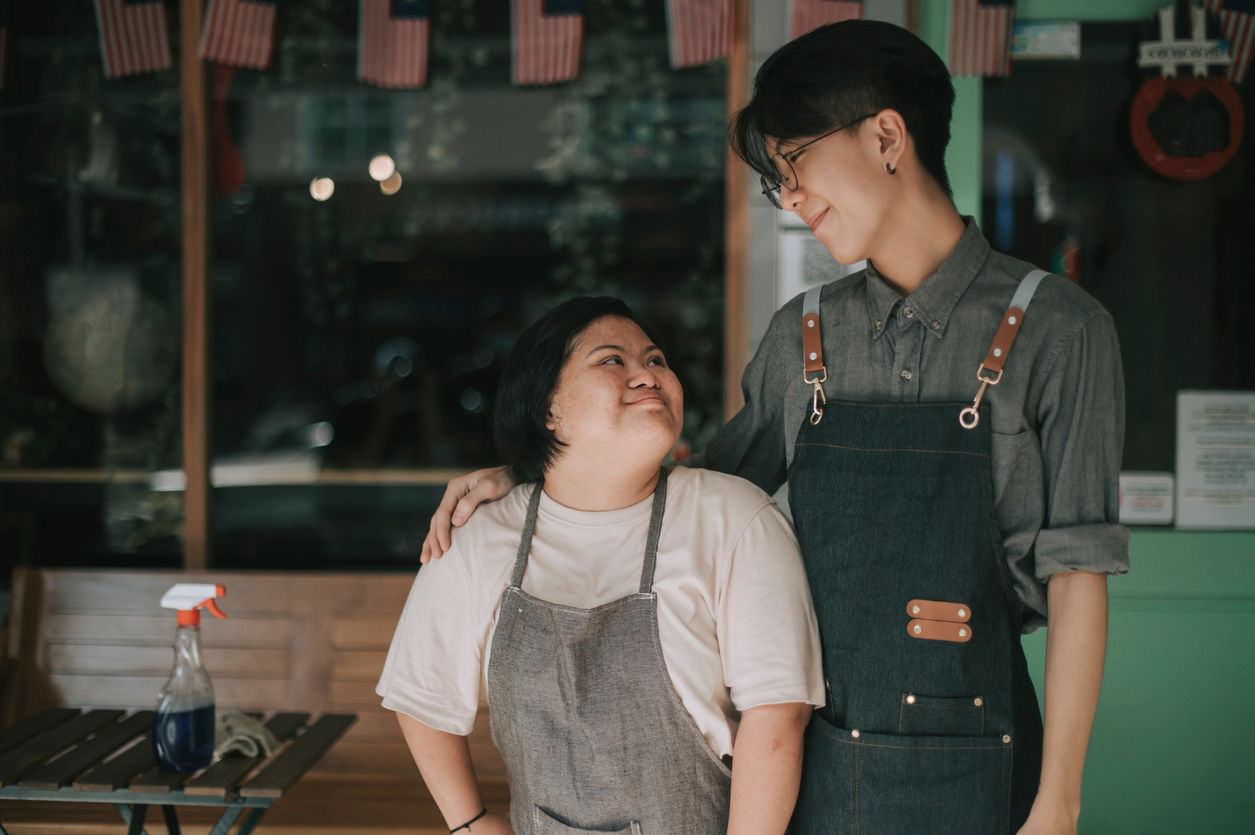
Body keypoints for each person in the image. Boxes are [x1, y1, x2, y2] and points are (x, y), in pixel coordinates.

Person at [422, 20, 1130, 835]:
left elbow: (1079, 576)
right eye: (776, 181)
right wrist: (527, 475)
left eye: (791, 163)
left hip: (979, 758)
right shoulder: (805, 333)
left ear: (887, 135)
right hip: (805, 759)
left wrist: (1058, 800)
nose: (788, 197)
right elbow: (689, 490)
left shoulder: (1058, 329)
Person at [380, 297, 823, 834]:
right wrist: (469, 822)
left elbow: (778, 718)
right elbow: (419, 693)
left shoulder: (736, 517)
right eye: (613, 360)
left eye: (656, 360)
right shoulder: (482, 534)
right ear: (548, 407)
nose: (647, 374)